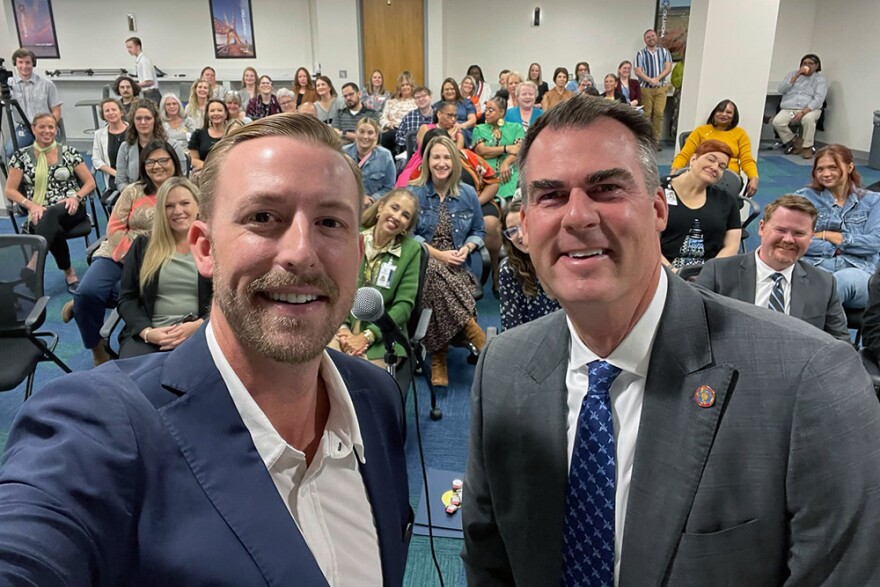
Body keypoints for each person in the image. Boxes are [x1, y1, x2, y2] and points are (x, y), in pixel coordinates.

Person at [461, 94, 880, 586]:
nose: (577, 216)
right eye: (550, 196)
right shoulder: (503, 368)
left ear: (659, 209)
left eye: (607, 189)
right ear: (525, 228)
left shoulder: (810, 380)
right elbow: (490, 558)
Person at [0, 113, 412, 586]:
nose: (301, 251)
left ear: (357, 254)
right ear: (204, 248)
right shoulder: (99, 425)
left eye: (330, 222)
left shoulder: (376, 398)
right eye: (263, 217)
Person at [64, 140, 183, 365]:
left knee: (141, 299)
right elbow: (115, 228)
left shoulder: (183, 191)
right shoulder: (133, 191)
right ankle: (97, 347)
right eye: (151, 162)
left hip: (159, 259)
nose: (157, 166)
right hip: (118, 254)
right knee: (87, 292)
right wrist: (131, 257)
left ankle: (83, 307)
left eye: (163, 160)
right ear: (143, 166)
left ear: (174, 162)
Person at [696, 195, 849, 342]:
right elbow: (693, 331)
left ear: (811, 237)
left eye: (799, 233)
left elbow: (840, 344)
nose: (788, 239)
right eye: (781, 230)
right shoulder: (719, 273)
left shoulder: (824, 284)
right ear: (762, 228)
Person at [409, 136, 487, 387]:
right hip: (424, 261)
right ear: (427, 161)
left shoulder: (467, 193)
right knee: (431, 270)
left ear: (453, 162)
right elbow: (408, 236)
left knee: (436, 285)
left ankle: (439, 356)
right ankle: (472, 331)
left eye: (446, 158)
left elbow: (479, 230)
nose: (441, 163)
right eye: (436, 157)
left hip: (459, 265)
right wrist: (438, 254)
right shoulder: (414, 192)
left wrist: (468, 247)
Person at [117, 177, 211, 358]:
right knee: (134, 379)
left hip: (201, 331)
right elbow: (127, 298)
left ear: (198, 206)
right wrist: (147, 333)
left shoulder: (213, 246)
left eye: (185, 203)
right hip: (151, 334)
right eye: (169, 206)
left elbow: (227, 298)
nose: (178, 211)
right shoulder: (143, 245)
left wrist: (199, 325)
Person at [4, 113, 96, 293]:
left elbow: (90, 182)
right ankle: (70, 273)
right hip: (39, 211)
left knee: (49, 216)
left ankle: (34, 263)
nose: (47, 131)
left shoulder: (69, 152)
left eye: (51, 127)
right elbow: (10, 190)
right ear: (33, 129)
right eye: (42, 127)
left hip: (71, 208)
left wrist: (76, 197)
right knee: (52, 225)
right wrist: (31, 205)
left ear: (56, 130)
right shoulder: (21, 156)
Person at [334, 189, 421, 366]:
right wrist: (343, 329)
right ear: (380, 208)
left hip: (383, 335)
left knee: (362, 380)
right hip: (340, 325)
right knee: (324, 369)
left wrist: (368, 336)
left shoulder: (411, 250)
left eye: (405, 215)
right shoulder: (353, 237)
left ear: (407, 226)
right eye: (394, 208)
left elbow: (404, 306)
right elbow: (335, 285)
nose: (397, 217)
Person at [796, 144, 880, 309]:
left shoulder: (873, 201)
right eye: (820, 169)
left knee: (837, 283)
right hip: (814, 265)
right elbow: (796, 239)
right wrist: (836, 248)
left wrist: (829, 235)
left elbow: (874, 243)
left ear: (850, 167)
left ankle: (809, 333)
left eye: (833, 167)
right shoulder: (803, 198)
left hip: (860, 271)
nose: (826, 174)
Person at [661, 140, 741, 270]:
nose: (715, 167)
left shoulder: (727, 200)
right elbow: (648, 242)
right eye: (710, 159)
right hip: (662, 272)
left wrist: (709, 274)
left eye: (721, 166)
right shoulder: (658, 193)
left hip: (707, 276)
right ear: (693, 159)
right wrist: (673, 273)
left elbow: (731, 246)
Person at [498, 194, 560, 331]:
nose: (520, 235)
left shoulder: (562, 258)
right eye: (512, 231)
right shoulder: (509, 269)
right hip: (531, 342)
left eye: (523, 226)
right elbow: (511, 327)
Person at [672, 99, 760, 196]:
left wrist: (754, 178)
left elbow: (747, 160)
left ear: (734, 117)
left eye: (729, 112)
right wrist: (674, 171)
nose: (724, 114)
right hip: (701, 175)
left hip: (728, 180)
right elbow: (684, 155)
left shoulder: (740, 134)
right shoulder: (700, 131)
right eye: (720, 111)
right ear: (714, 113)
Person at [116, 100, 187, 192]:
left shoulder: (173, 145)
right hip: (135, 195)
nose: (143, 122)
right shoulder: (125, 147)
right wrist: (132, 194)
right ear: (133, 121)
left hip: (166, 193)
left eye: (148, 118)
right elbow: (120, 180)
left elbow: (181, 177)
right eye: (138, 118)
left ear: (155, 120)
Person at [6, 48, 62, 155]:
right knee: (11, 151)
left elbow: (57, 111)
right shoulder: (8, 84)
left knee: (44, 153)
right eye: (20, 62)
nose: (24, 66)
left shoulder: (47, 84)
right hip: (24, 129)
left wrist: (49, 127)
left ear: (33, 64)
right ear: (15, 64)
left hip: (44, 127)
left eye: (28, 62)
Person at [772, 54, 827, 159]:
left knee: (808, 119)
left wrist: (803, 112)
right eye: (804, 63)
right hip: (789, 108)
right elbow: (781, 90)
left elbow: (818, 99)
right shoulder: (792, 75)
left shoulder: (820, 80)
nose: (807, 66)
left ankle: (807, 147)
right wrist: (796, 76)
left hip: (810, 109)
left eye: (810, 64)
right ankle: (796, 141)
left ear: (816, 66)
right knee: (777, 122)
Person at [472, 96, 524, 200]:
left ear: (502, 112)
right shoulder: (478, 128)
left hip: (510, 174)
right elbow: (482, 151)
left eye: (491, 110)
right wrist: (506, 148)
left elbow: (519, 150)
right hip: (486, 176)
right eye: (486, 110)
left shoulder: (516, 128)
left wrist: (506, 163)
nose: (487, 113)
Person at [342, 117, 396, 205]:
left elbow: (389, 188)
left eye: (370, 133)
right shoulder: (343, 153)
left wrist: (372, 199)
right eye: (361, 132)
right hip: (346, 203)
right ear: (356, 133)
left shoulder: (385, 156)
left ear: (376, 135)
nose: (365, 136)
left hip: (372, 207)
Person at [635, 28, 673, 145]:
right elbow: (638, 71)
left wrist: (657, 79)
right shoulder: (640, 54)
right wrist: (650, 80)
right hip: (645, 88)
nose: (651, 38)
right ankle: (645, 140)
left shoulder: (665, 52)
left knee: (659, 114)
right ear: (645, 40)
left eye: (652, 36)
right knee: (646, 114)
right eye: (648, 37)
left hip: (661, 88)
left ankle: (655, 141)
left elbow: (668, 68)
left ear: (656, 37)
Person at [91, 97, 129, 192]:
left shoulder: (134, 130)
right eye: (107, 111)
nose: (111, 113)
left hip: (135, 177)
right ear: (103, 115)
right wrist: (117, 174)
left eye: (114, 109)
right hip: (114, 178)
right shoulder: (99, 135)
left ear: (121, 112)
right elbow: (96, 160)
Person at [189, 99, 231, 174]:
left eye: (219, 110)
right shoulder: (198, 134)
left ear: (226, 114)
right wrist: (209, 167)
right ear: (208, 114)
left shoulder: (231, 134)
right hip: (204, 174)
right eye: (212, 111)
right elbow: (193, 159)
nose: (216, 113)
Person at [379, 71, 417, 152]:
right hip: (393, 130)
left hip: (410, 131)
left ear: (412, 86)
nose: (405, 87)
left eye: (407, 84)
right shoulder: (391, 102)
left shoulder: (417, 102)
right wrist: (389, 124)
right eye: (402, 85)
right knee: (388, 136)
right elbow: (383, 118)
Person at [435, 78, 477, 144]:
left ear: (457, 90)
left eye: (452, 89)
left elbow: (472, 120)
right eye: (447, 89)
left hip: (463, 130)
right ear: (442, 93)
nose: (449, 91)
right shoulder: (437, 106)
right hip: (443, 131)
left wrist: (460, 126)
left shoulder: (466, 102)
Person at [395, 86, 434, 151]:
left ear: (430, 97)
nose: (421, 99)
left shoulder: (439, 115)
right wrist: (411, 143)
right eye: (417, 97)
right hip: (412, 153)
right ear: (414, 101)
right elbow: (398, 137)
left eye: (424, 96)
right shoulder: (409, 117)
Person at [124, 36, 160, 103]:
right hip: (148, 94)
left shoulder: (144, 61)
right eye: (127, 48)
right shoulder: (140, 60)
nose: (128, 50)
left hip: (152, 94)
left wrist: (133, 85)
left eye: (130, 47)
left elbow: (149, 82)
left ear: (138, 47)